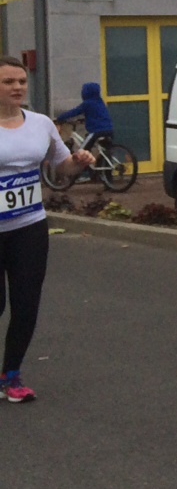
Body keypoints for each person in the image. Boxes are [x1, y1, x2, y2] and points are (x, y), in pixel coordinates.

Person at [0, 57, 95, 402]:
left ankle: (11, 376)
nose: (17, 87)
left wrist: (79, 162)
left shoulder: (40, 124)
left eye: (21, 81)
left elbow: (62, 167)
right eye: (8, 82)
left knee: (26, 304)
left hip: (29, 226)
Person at [54, 81, 115, 148]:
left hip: (97, 131)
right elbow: (96, 115)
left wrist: (60, 117)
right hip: (109, 130)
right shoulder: (100, 102)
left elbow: (74, 112)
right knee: (105, 150)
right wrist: (84, 119)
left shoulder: (88, 103)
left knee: (83, 150)